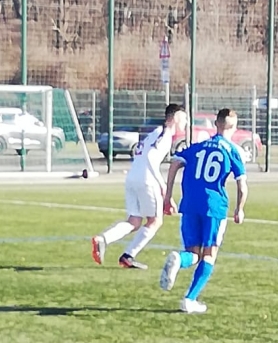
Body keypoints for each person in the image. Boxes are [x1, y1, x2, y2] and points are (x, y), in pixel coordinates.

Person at [160, 107, 248, 313]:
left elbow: (174, 163)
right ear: (234, 127)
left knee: (193, 253)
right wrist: (239, 209)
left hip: (190, 203)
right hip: (214, 207)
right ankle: (190, 299)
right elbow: (242, 186)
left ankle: (179, 259)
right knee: (209, 254)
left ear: (216, 124)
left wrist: (168, 195)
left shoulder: (197, 147)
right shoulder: (233, 151)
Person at [91, 103, 189, 270]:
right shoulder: (165, 134)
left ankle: (103, 240)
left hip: (133, 177)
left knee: (134, 221)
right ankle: (128, 255)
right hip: (146, 180)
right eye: (184, 118)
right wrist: (163, 186)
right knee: (155, 221)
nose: (186, 122)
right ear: (175, 118)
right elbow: (151, 158)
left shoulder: (155, 133)